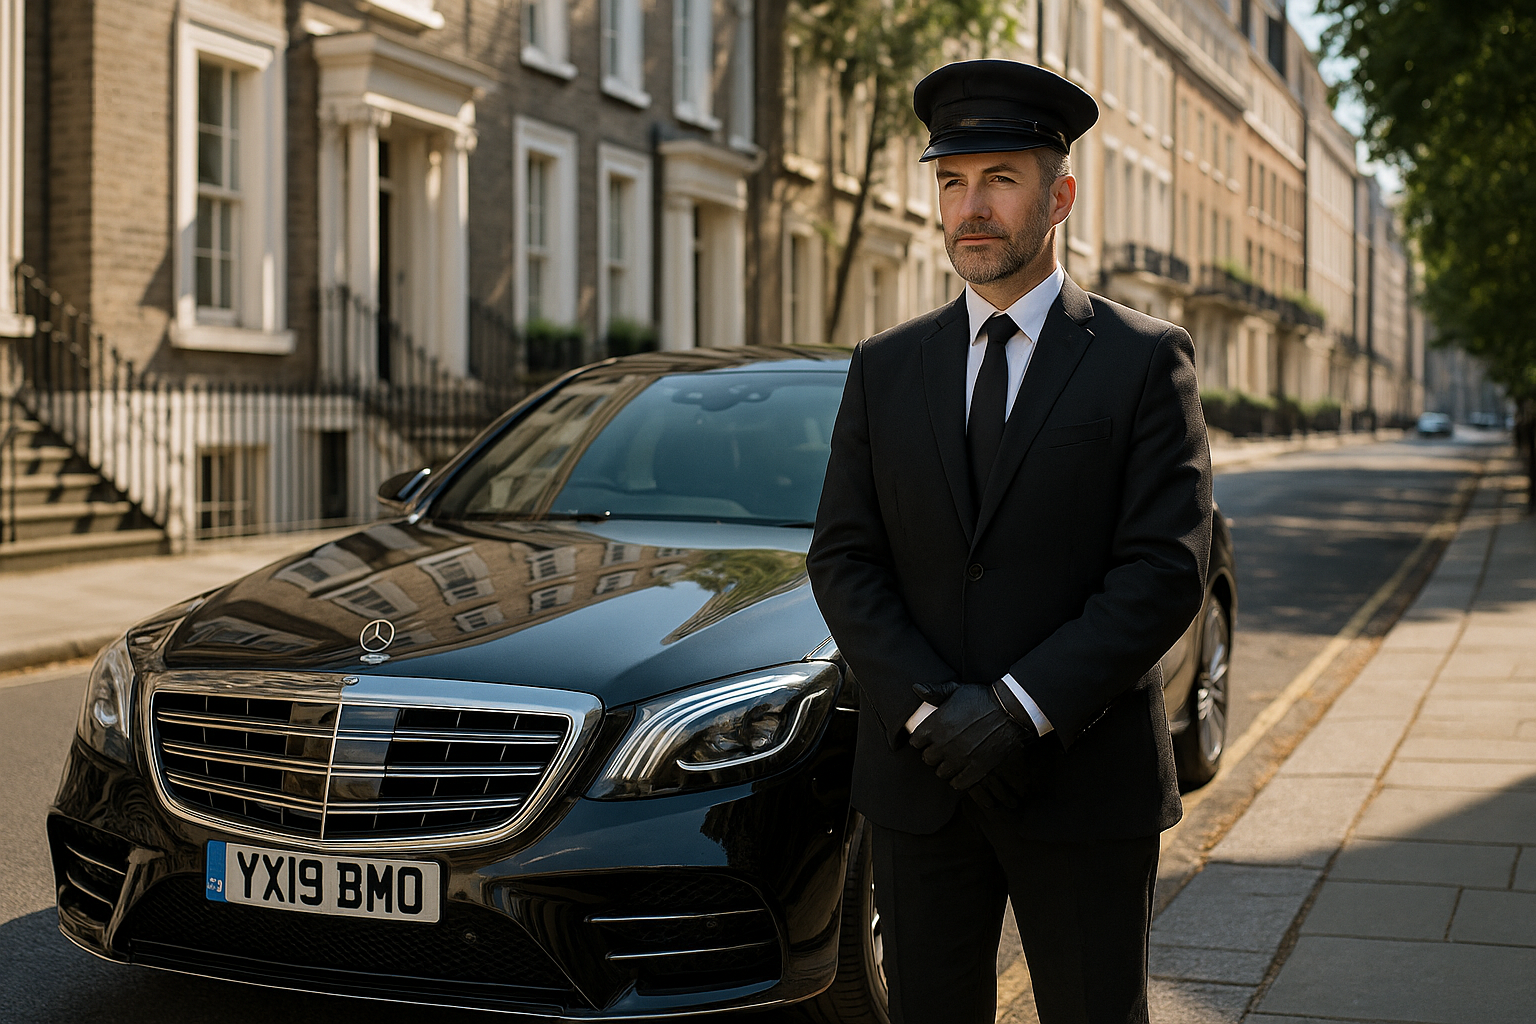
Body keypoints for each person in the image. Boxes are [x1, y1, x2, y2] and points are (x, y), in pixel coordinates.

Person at [805, 59, 1213, 1024]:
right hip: (923, 783)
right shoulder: (885, 366)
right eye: (951, 181)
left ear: (1059, 198)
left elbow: (1164, 570)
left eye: (1000, 179)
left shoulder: (1143, 359)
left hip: (1082, 781)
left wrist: (1018, 709)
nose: (971, 207)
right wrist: (929, 710)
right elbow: (844, 557)